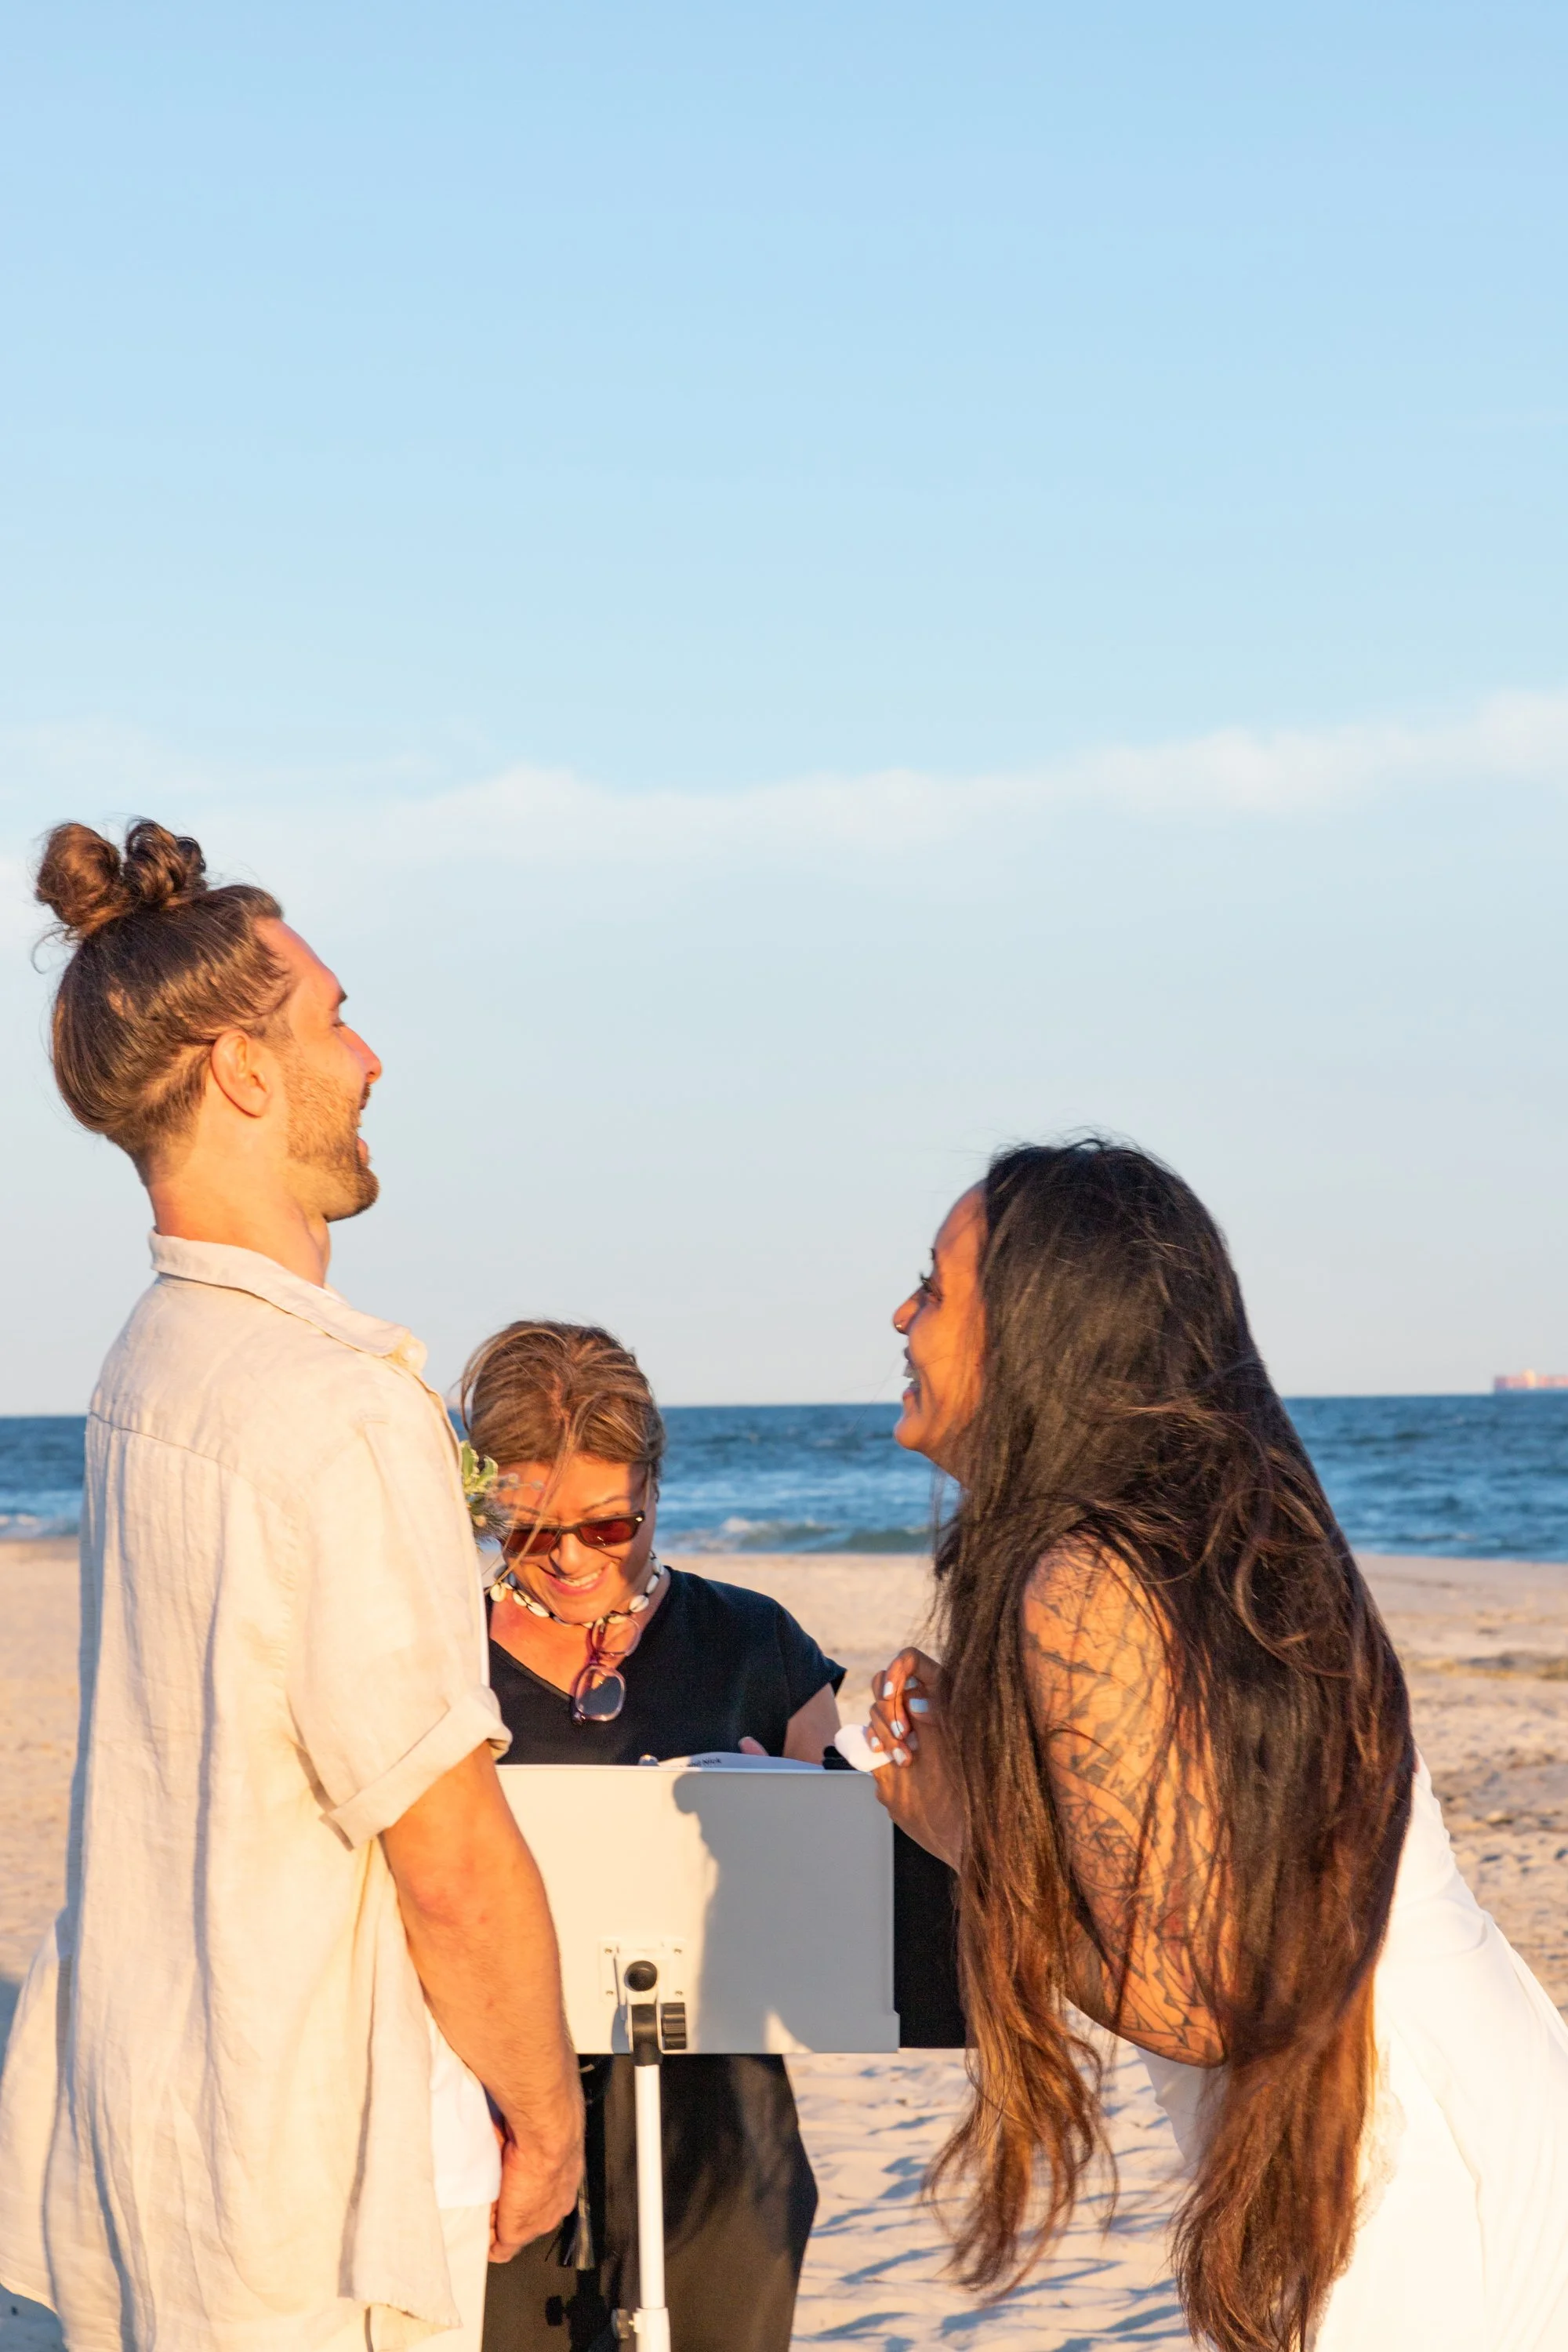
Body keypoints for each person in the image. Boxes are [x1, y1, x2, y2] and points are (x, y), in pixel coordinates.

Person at [0, 821, 583, 2351]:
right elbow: (444, 1844)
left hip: (148, 2140)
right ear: (242, 1070)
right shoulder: (338, 1403)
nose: (371, 1056)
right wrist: (548, 2110)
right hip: (308, 2180)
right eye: (333, 1017)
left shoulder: (147, 1360)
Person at [867, 1140, 1568, 2352]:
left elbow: (1199, 2002)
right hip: (1445, 2087)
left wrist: (960, 1827)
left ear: (1039, 1328)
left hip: (1371, 2155)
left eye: (933, 1286)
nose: (902, 1314)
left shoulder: (1087, 1582)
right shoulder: (1216, 1530)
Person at [463, 1320, 841, 2352]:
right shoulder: (435, 1649)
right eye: (531, 1532)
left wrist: (796, 1814)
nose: (576, 1559)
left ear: (655, 1489)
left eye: (609, 1524)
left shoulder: (751, 1639)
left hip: (721, 2120)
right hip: (496, 2119)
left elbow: (855, 1884)